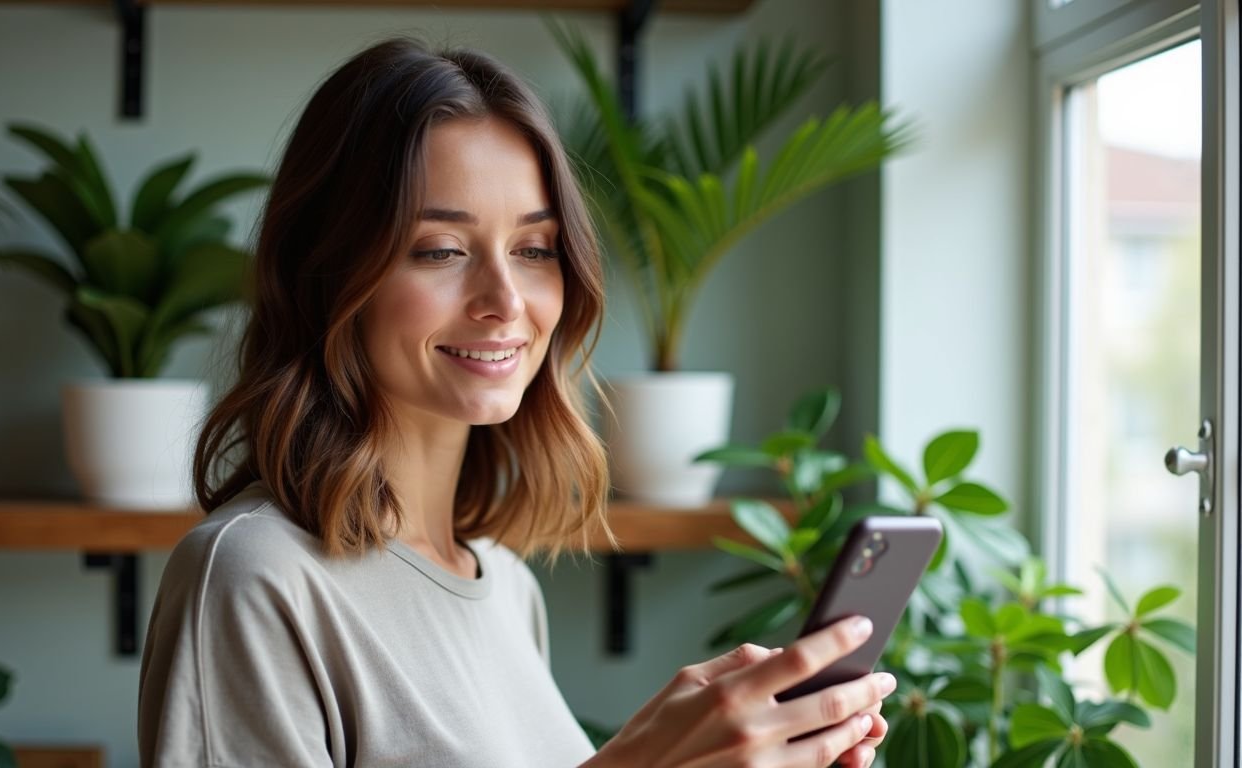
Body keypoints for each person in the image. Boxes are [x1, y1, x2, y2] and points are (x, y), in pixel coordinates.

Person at [137, 36, 894, 768]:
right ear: (326, 274)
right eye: (441, 250)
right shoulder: (253, 576)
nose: (505, 301)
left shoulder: (504, 586)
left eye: (534, 250)